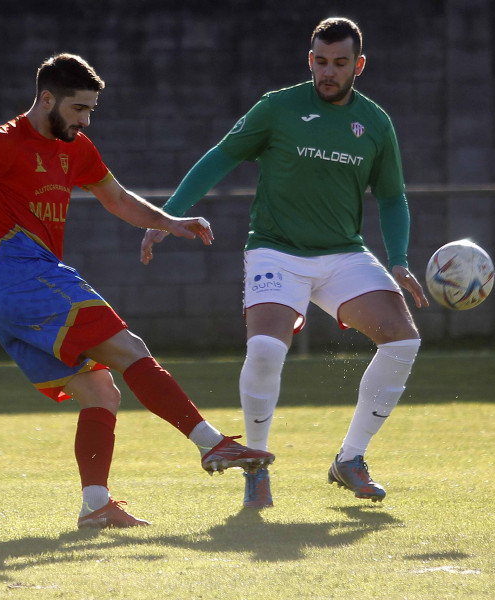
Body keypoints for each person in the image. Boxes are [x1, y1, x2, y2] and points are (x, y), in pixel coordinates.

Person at [0, 53, 274, 529]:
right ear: (47, 99)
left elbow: (118, 199)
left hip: (17, 299)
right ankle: (212, 444)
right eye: (78, 109)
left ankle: (95, 505)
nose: (85, 120)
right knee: (130, 349)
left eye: (90, 111)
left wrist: (170, 222)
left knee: (101, 391)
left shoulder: (77, 147)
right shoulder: (0, 143)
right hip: (24, 280)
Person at [141, 18, 428, 508]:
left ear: (358, 65)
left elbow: (393, 197)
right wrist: (166, 217)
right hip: (276, 250)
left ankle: (350, 460)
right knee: (266, 352)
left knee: (404, 341)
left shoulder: (376, 123)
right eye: (320, 61)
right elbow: (219, 156)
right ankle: (256, 465)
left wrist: (398, 261)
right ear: (309, 58)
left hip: (343, 254)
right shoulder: (278, 107)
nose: (328, 72)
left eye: (340, 63)